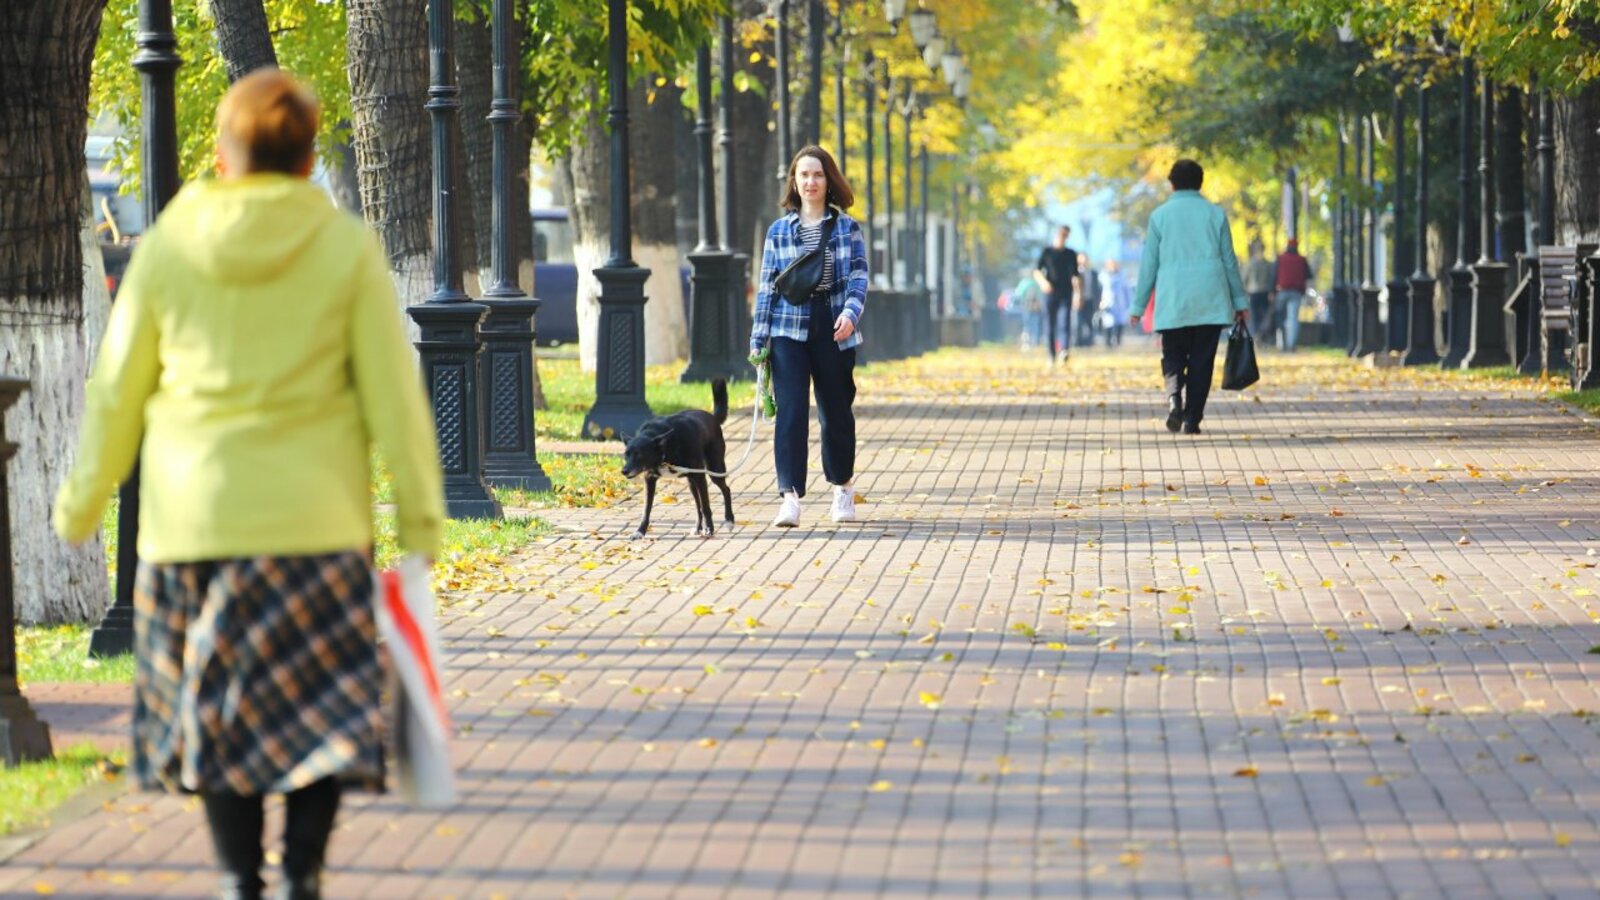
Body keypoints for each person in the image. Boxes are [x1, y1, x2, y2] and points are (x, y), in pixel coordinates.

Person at [52, 70, 444, 899]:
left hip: (195, 529)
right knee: (320, 717)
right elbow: (394, 398)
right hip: (317, 527)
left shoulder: (169, 246)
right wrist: (421, 523)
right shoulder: (345, 250)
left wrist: (81, 503)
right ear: (308, 161)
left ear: (224, 157)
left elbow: (118, 390)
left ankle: (239, 880)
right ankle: (301, 873)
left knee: (216, 716)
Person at [750, 145, 868, 528]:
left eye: (817, 175)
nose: (811, 182)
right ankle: (790, 498)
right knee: (791, 413)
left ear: (828, 180)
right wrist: (759, 338)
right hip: (787, 328)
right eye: (804, 175)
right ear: (795, 182)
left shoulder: (847, 228)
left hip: (833, 325)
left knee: (835, 411)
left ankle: (842, 489)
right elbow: (767, 286)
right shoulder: (779, 231)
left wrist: (850, 314)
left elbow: (859, 276)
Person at [1128, 158, 1248, 435]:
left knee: (1173, 354)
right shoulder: (1215, 214)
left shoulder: (1159, 216)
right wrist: (1239, 302)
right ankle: (1193, 418)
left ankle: (1174, 399)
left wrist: (1138, 305)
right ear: (1200, 183)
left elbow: (1149, 264)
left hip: (1173, 299)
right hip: (1209, 297)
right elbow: (1229, 261)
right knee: (1201, 360)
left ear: (1171, 184)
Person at [1033, 225, 1079, 366]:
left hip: (1066, 292)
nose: (1063, 238)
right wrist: (1043, 283)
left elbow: (1076, 276)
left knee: (1064, 321)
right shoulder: (1047, 252)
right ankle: (1051, 354)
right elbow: (1036, 271)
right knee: (1050, 323)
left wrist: (1078, 294)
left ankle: (1064, 350)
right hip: (1050, 293)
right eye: (1061, 235)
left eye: (1065, 235)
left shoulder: (1071, 254)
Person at [1274, 237, 1313, 351]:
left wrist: (1272, 292)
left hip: (1282, 291)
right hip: (1296, 292)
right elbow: (1309, 275)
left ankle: (1281, 343)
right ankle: (1291, 344)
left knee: (1280, 317)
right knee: (1293, 319)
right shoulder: (1302, 260)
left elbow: (1274, 276)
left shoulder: (1280, 259)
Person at [1242, 239, 1275, 344]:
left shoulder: (1249, 264)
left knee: (1255, 316)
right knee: (1264, 316)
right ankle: (1262, 335)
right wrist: (1271, 291)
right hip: (1264, 292)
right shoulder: (1267, 264)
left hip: (1253, 292)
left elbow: (1244, 279)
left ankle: (1257, 335)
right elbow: (1271, 279)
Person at [1100, 259, 1132, 347]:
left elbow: (1127, 291)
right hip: (1107, 303)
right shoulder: (1103, 276)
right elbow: (1100, 290)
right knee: (1108, 323)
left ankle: (1118, 341)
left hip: (1120, 304)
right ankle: (1108, 343)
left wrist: (1129, 303)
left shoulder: (1122, 276)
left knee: (1119, 323)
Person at [1076, 251, 1102, 347]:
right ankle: (1078, 341)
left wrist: (1098, 300)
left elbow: (1097, 288)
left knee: (1089, 322)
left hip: (1090, 300)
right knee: (1078, 321)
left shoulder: (1093, 273)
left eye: (1085, 259)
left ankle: (1089, 341)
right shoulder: (1075, 272)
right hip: (1079, 301)